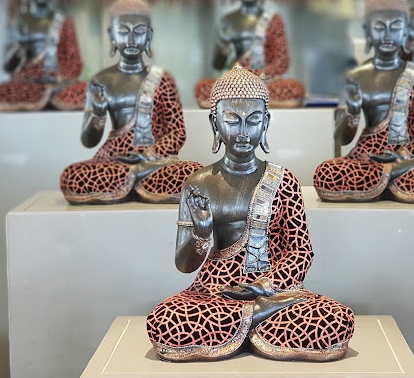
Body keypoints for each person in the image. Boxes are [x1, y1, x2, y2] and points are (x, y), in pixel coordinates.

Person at [148, 67, 355, 362]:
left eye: (254, 120)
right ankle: (257, 315)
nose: (244, 132)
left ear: (266, 122)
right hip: (215, 292)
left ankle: (248, 318)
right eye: (232, 120)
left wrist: (264, 286)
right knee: (166, 319)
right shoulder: (198, 183)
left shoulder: (284, 181)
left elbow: (300, 252)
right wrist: (201, 233)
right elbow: (184, 265)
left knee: (335, 318)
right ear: (215, 123)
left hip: (275, 289)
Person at [313, 0, 414, 204]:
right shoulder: (354, 77)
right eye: (379, 27)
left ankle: (388, 176)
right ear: (367, 32)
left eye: (395, 27)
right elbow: (342, 139)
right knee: (326, 173)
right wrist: (353, 112)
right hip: (366, 159)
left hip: (409, 158)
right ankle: (394, 174)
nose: (387, 35)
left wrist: (403, 155)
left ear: (407, 30)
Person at [60, 0, 201, 204]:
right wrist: (97, 112)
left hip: (155, 162)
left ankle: (133, 176)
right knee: (71, 177)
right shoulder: (101, 81)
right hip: (114, 160)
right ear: (112, 35)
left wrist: (149, 156)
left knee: (193, 173)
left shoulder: (163, 79)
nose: (132, 39)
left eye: (139, 31)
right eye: (124, 31)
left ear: (149, 36)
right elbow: (89, 141)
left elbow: (177, 132)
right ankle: (135, 175)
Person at [194, 0, 304, 108]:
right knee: (202, 87)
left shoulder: (273, 19)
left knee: (295, 88)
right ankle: (251, 97)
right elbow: (218, 64)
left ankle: (242, 98)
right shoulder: (227, 20)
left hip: (264, 81)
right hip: (235, 82)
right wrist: (223, 46)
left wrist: (256, 75)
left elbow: (282, 62)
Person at [0, 0, 85, 111]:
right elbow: (7, 66)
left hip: (59, 85)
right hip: (28, 85)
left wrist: (59, 76)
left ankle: (51, 96)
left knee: (88, 89)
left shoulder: (64, 21)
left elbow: (75, 64)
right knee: (2, 92)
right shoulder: (17, 23)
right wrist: (20, 50)